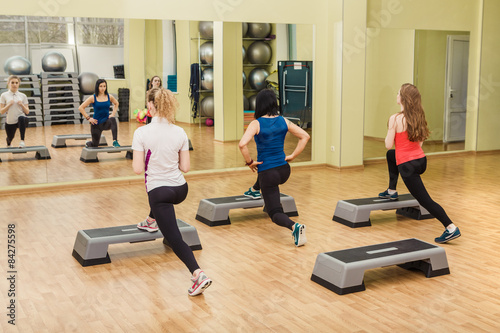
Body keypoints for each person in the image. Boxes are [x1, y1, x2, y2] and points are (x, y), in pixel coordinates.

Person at [132, 87, 212, 296]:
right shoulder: (180, 131)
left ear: (150, 105)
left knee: (174, 238)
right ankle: (151, 220)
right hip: (180, 189)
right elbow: (185, 168)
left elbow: (137, 169)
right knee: (159, 200)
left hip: (160, 193)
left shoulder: (141, 132)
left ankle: (197, 274)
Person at [380, 83, 461, 244]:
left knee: (425, 200)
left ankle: (450, 227)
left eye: (398, 93)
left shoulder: (395, 119)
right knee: (391, 155)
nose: (396, 95)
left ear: (403, 98)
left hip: (407, 166)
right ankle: (391, 190)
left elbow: (388, 144)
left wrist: (392, 131)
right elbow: (420, 143)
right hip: (421, 161)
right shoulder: (418, 116)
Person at [239, 89, 310, 247]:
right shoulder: (283, 121)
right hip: (284, 170)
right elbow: (305, 136)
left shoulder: (256, 123)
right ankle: (255, 189)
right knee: (263, 168)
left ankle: (294, 227)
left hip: (269, 174)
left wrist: (250, 162)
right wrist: (292, 156)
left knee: (274, 212)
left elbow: (242, 144)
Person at [78, 79, 120, 148]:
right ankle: (88, 143)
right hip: (96, 124)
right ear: (97, 87)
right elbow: (81, 107)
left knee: (112, 119)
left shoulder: (109, 96)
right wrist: (88, 118)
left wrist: (113, 114)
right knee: (95, 145)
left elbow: (116, 103)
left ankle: (115, 141)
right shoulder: (93, 97)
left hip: (106, 122)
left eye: (104, 86)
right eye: (101, 86)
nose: (103, 88)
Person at [0, 75, 30, 148]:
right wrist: (9, 104)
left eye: (16, 83)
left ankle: (22, 141)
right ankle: (9, 142)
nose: (14, 84)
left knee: (21, 118)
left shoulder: (23, 96)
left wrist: (22, 105)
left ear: (19, 84)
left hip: (21, 119)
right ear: (8, 83)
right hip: (10, 121)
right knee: (10, 137)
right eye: (12, 82)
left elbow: (27, 112)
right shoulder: (4, 95)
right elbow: (1, 111)